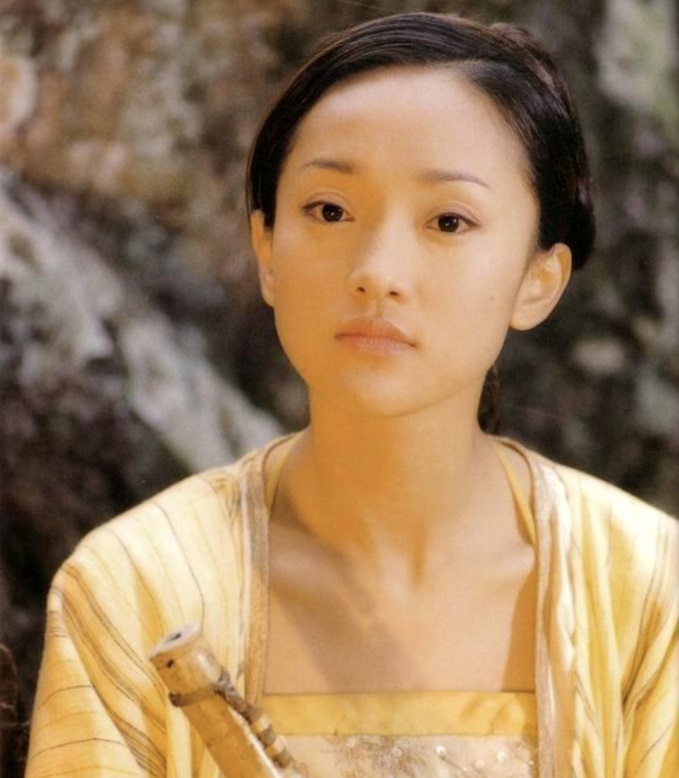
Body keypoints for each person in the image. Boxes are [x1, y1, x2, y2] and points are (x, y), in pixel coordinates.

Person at [27, 12, 677, 778]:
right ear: (266, 249)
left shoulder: (647, 592)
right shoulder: (136, 589)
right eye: (329, 211)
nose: (377, 271)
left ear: (538, 279)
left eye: (448, 220)